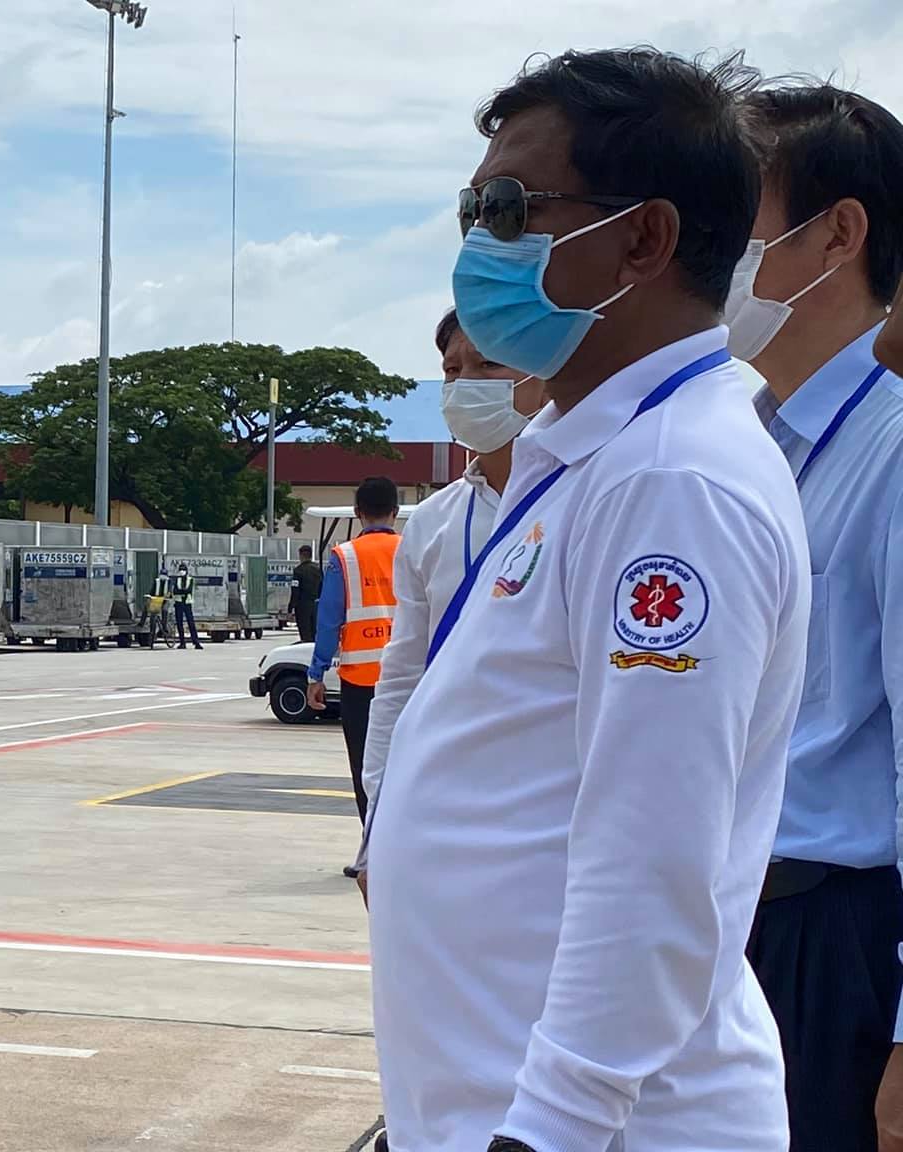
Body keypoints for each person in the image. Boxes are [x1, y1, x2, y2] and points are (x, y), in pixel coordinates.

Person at [371, 49, 809, 1151]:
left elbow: (651, 858)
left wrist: (551, 1127)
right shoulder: (592, 456)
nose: (476, 247)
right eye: (470, 211)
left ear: (643, 238)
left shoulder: (672, 482)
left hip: (594, 1127)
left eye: (509, 210)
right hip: (498, 1105)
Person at [738, 83, 903, 1152]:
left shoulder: (890, 450)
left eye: (730, 215)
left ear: (837, 234)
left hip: (832, 937)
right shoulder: (746, 443)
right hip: (730, 923)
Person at [352, 310, 545, 892]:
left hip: (550, 813)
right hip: (449, 807)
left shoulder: (590, 494)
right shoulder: (434, 522)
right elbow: (401, 680)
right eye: (452, 370)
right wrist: (377, 825)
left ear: (543, 369)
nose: (465, 385)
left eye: (487, 365)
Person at [305, 476, 400, 820]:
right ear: (395, 512)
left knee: (365, 768)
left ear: (358, 512)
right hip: (407, 678)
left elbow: (329, 622)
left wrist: (316, 674)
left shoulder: (344, 557)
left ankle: (370, 842)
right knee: (407, 765)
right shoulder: (413, 551)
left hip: (360, 682)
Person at [289, 545, 322, 642]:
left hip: (302, 606)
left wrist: (290, 608)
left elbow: (295, 590)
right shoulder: (318, 570)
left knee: (305, 633)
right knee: (315, 632)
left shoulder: (298, 571)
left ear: (301, 555)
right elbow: (322, 587)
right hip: (316, 605)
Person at [170, 561, 202, 649]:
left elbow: (189, 590)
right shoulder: (177, 580)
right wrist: (183, 591)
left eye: (183, 569)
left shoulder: (190, 579)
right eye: (180, 570)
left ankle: (196, 642)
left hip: (187, 603)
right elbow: (175, 591)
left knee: (191, 623)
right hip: (178, 603)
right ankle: (182, 643)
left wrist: (181, 591)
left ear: (186, 571)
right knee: (179, 623)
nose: (182, 571)